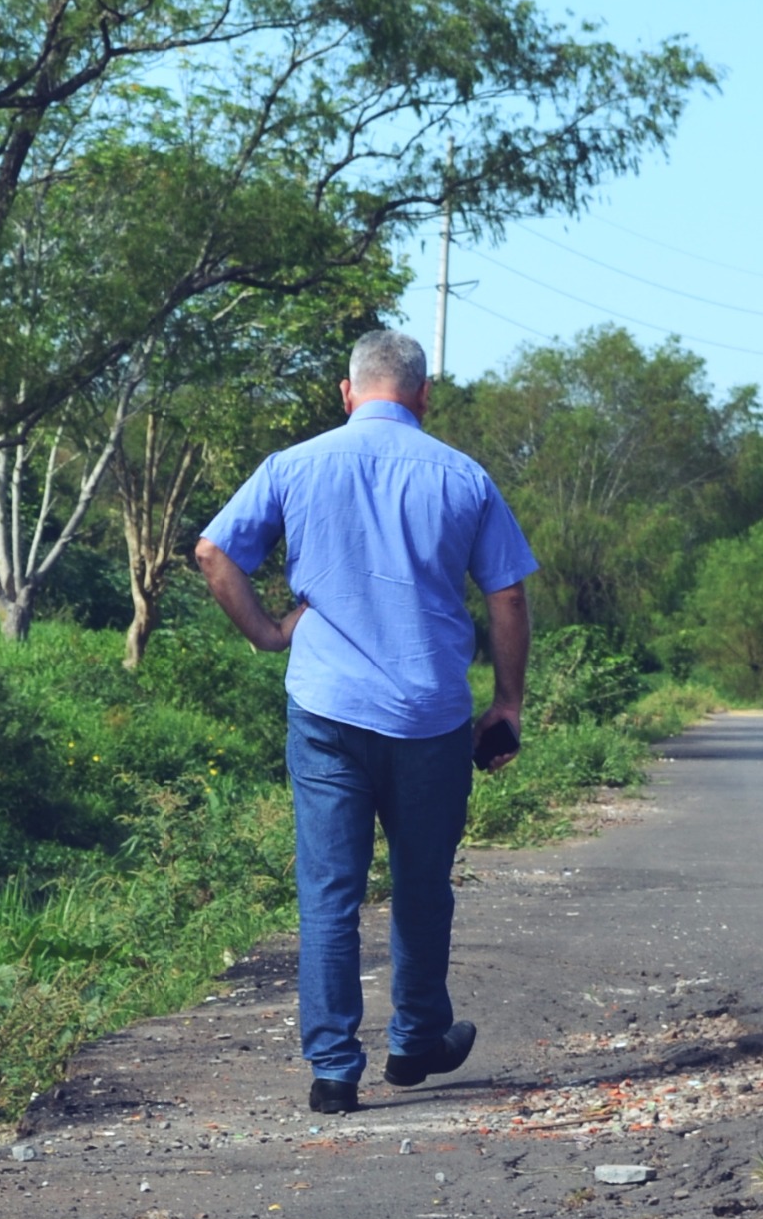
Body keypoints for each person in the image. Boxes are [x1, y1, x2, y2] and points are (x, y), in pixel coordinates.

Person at [195, 329, 539, 1116]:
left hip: (326, 710)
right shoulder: (464, 476)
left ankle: (333, 1070)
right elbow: (508, 596)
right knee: (422, 885)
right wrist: (507, 704)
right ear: (422, 395)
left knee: (329, 893)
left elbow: (214, 553)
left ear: (347, 393)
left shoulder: (294, 464)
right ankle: (415, 1040)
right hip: (431, 718)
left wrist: (268, 633)